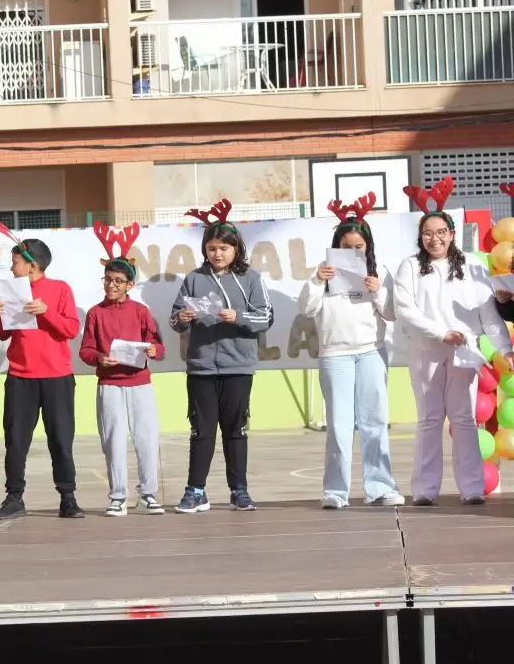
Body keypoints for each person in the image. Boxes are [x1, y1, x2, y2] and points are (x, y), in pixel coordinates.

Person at [394, 178, 514, 505]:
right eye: (427, 233)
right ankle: (424, 489)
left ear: (451, 234)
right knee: (429, 419)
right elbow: (405, 310)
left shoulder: (472, 266)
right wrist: (440, 333)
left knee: (464, 419)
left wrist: (505, 349)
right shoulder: (410, 267)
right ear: (420, 237)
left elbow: (488, 312)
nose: (434, 238)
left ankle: (472, 487)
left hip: (464, 354)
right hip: (426, 353)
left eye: (440, 232)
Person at [297, 196, 404, 509]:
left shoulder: (379, 271)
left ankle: (380, 487)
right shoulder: (323, 273)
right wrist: (317, 281)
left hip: (371, 351)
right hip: (335, 356)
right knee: (339, 426)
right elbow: (306, 309)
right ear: (337, 246)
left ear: (367, 246)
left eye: (359, 246)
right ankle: (335, 491)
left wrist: (378, 290)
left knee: (375, 422)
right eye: (347, 246)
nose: (354, 252)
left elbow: (391, 313)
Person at [170, 200, 273, 514]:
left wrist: (237, 316)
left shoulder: (251, 278)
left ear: (236, 249)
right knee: (201, 431)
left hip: (238, 366)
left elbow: (266, 317)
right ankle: (195, 491)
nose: (217, 254)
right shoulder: (194, 278)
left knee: (235, 430)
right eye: (212, 248)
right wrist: (184, 317)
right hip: (201, 368)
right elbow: (175, 320)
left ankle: (239, 490)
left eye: (224, 248)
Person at [0, 225, 82, 520]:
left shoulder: (60, 289)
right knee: (16, 441)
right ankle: (14, 497)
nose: (11, 267)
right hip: (20, 377)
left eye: (15, 262)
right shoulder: (10, 290)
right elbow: (3, 333)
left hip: (57, 377)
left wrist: (46, 311)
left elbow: (70, 329)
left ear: (33, 265)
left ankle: (68, 498)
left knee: (61, 439)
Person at [79, 222, 165, 516]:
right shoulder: (95, 313)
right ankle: (117, 496)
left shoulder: (141, 311)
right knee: (113, 441)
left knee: (146, 439)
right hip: (110, 385)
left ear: (130, 285)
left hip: (140, 384)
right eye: (107, 279)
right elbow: (86, 350)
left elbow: (157, 344)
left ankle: (148, 494)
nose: (111, 285)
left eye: (118, 280)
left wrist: (153, 350)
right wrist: (99, 359)